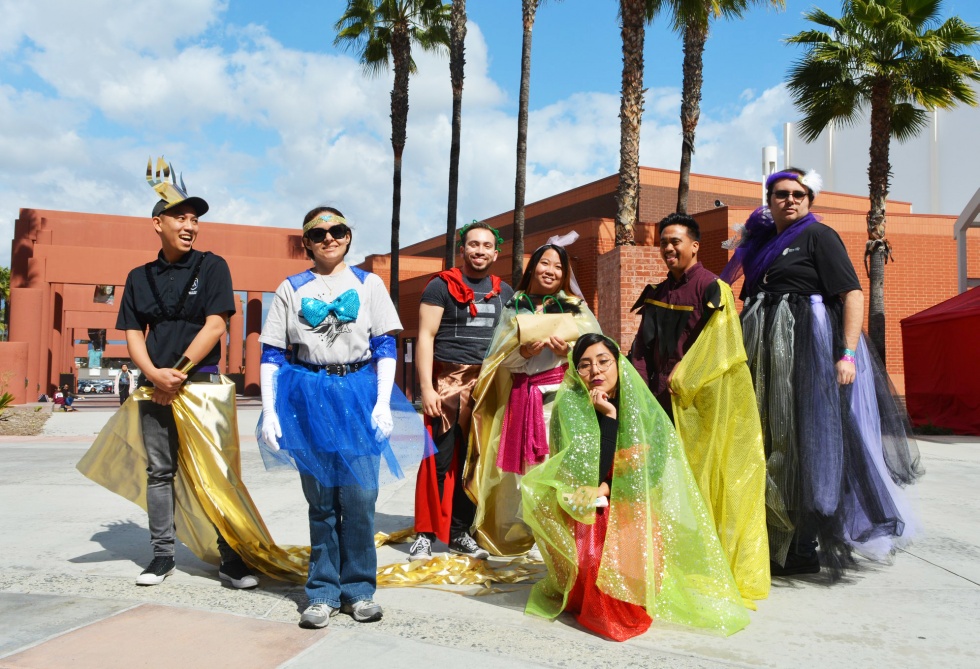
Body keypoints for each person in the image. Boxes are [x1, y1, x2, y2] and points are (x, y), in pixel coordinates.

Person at [721, 168, 923, 578]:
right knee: (769, 438)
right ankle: (771, 535)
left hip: (807, 352)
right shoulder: (761, 244)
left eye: (800, 194)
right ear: (770, 199)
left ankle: (802, 546)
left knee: (807, 440)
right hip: (764, 353)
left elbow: (851, 293)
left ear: (809, 200)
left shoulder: (820, 236)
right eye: (782, 194)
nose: (791, 200)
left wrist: (846, 354)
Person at [78, 159, 265, 590]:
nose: (190, 226)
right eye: (180, 217)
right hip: (153, 387)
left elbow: (216, 324)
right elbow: (131, 332)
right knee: (159, 472)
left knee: (218, 473)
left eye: (195, 219)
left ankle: (231, 557)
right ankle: (162, 555)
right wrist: (151, 376)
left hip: (201, 385)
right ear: (157, 223)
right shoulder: (138, 277)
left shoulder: (212, 266)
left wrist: (176, 375)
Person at [258, 206, 431, 628]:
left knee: (359, 499)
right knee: (320, 502)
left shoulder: (368, 283)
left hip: (357, 393)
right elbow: (272, 354)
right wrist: (269, 410)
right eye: (319, 234)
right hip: (308, 397)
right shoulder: (290, 288)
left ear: (349, 237)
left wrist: (380, 402)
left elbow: (385, 345)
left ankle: (359, 589)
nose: (329, 238)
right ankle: (321, 592)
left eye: (338, 231)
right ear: (307, 243)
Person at [522, 333, 749, 641]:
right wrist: (606, 421)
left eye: (604, 362)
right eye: (585, 365)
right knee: (587, 561)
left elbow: (650, 474)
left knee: (621, 600)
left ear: (619, 364)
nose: (596, 372)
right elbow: (580, 473)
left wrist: (612, 425)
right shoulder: (571, 406)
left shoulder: (641, 407)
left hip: (628, 503)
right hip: (586, 505)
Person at [630, 214, 770, 605]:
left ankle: (700, 564)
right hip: (657, 404)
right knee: (659, 485)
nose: (669, 248)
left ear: (695, 246)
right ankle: (664, 561)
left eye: (676, 241)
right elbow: (641, 348)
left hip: (698, 410)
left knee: (697, 486)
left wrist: (685, 377)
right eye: (663, 242)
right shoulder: (657, 290)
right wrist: (634, 389)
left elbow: (723, 350)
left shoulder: (713, 288)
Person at [465, 242, 601, 557]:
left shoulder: (575, 306)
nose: (550, 271)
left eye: (558, 266)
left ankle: (553, 534)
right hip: (520, 398)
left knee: (554, 466)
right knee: (519, 471)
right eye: (545, 263)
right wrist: (522, 352)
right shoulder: (515, 305)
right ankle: (524, 534)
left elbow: (597, 354)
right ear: (533, 267)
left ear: (565, 273)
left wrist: (568, 352)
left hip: (558, 400)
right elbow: (496, 358)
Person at [409, 222, 514, 562]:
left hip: (486, 389)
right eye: (473, 244)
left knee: (474, 466)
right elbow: (425, 337)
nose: (480, 250)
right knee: (437, 462)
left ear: (495, 253)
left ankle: (459, 532)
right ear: (463, 250)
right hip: (448, 384)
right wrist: (427, 387)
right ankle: (424, 533)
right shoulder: (441, 286)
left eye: (486, 245)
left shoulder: (506, 293)